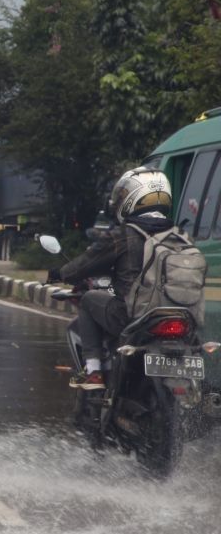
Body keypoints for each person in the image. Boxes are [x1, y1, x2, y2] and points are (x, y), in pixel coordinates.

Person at [47, 167, 174, 390]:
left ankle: (94, 371)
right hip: (177, 312)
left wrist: (61, 273)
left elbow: (87, 263)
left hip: (132, 315)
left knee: (88, 300)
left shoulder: (124, 235)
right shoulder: (178, 235)